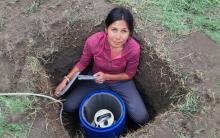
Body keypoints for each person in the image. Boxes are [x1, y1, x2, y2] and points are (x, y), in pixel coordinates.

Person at [54, 7, 149, 125]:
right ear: (106, 28)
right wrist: (66, 80)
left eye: (124, 31)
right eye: (114, 29)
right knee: (69, 106)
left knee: (141, 118)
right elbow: (82, 63)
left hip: (121, 82)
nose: (118, 37)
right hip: (95, 78)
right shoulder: (93, 42)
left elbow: (129, 74)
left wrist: (107, 76)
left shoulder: (133, 48)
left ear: (130, 32)